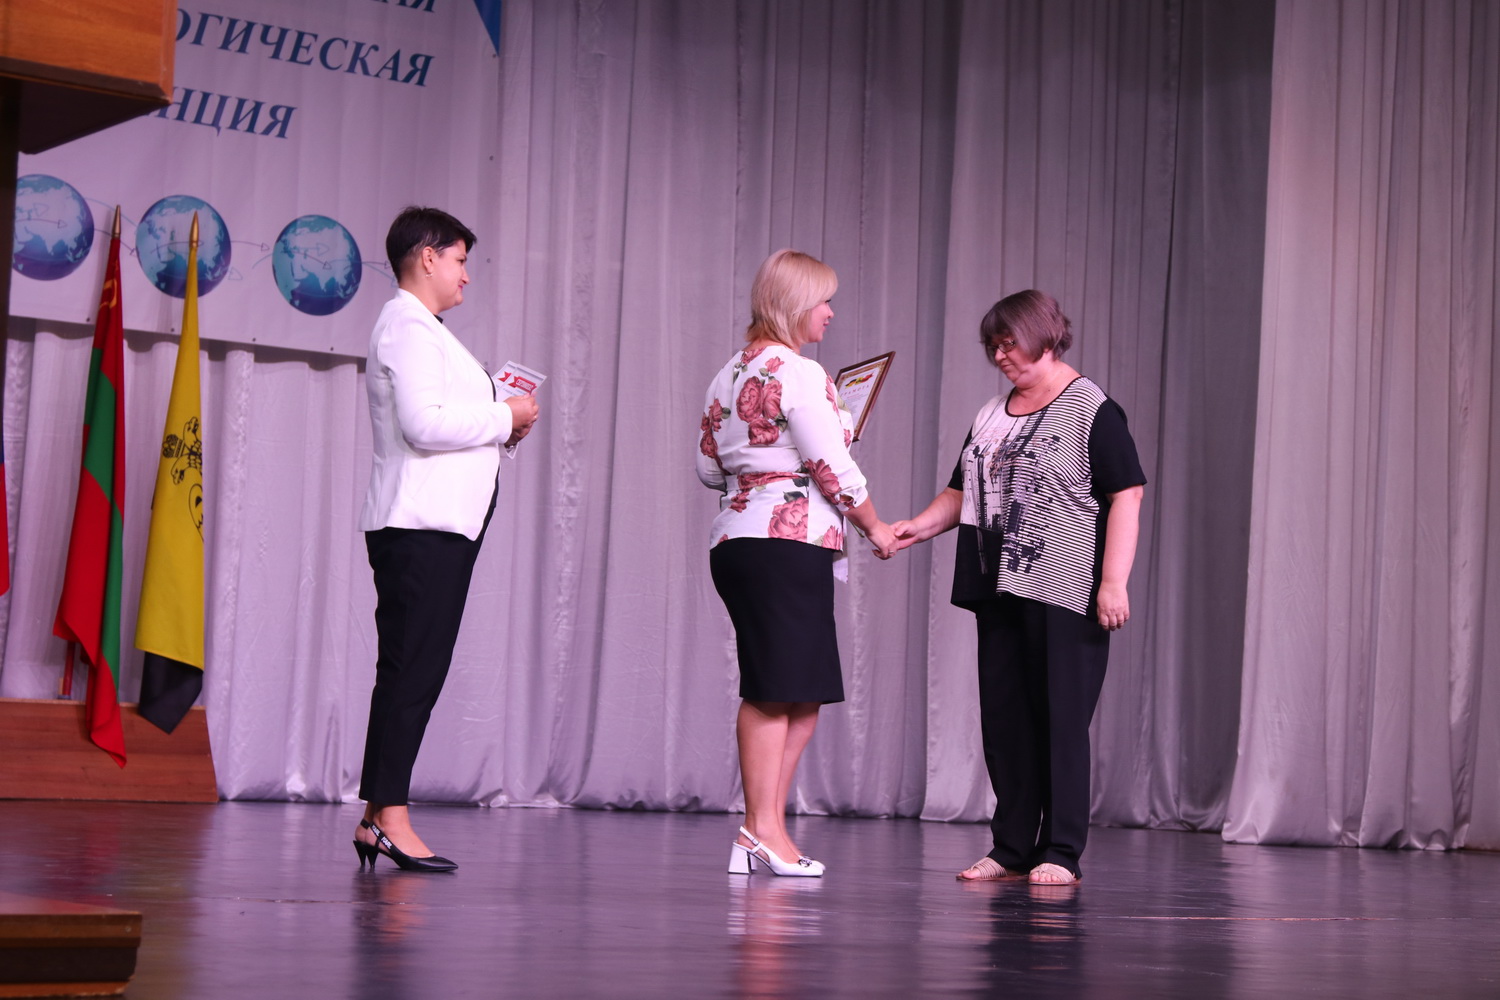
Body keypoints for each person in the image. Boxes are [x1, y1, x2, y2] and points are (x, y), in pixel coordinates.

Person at [891, 290, 1145, 886]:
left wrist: (1113, 582)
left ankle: (1061, 851)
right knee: (1006, 722)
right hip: (997, 586)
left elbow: (1126, 496)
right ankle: (1010, 847)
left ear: (1046, 337)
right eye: (994, 346)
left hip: (1066, 587)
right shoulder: (990, 413)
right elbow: (960, 492)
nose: (1001, 356)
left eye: (1010, 343)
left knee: (1060, 720)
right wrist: (916, 527)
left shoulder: (1093, 407)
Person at [696, 249, 896, 877]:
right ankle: (761, 830)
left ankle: (765, 828)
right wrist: (875, 526)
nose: (831, 313)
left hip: (747, 543)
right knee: (774, 688)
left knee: (800, 693)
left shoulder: (728, 374)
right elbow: (832, 468)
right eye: (823, 301)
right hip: (782, 545)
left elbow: (708, 468)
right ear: (796, 304)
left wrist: (767, 463)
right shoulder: (801, 372)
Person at [352, 206, 540, 872]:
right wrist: (503, 415)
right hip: (419, 528)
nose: (466, 275)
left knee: (411, 672)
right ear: (427, 256)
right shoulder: (407, 325)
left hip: (432, 527)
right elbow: (424, 425)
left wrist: (502, 421)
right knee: (411, 674)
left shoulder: (423, 329)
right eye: (460, 260)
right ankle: (391, 817)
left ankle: (376, 816)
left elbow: (439, 420)